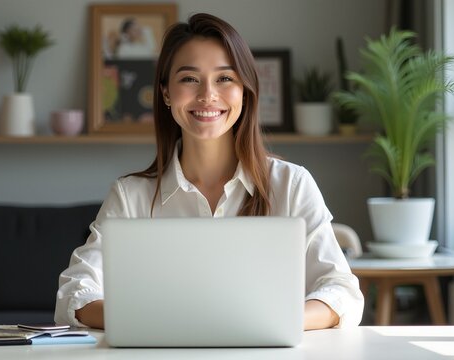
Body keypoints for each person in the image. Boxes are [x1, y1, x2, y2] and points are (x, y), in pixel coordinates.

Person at [54, 13, 364, 330]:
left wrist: (268, 321)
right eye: (189, 79)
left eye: (224, 78)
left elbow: (341, 292)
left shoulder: (292, 184)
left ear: (245, 90)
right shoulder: (130, 195)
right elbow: (75, 294)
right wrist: (151, 320)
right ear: (165, 92)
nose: (207, 95)